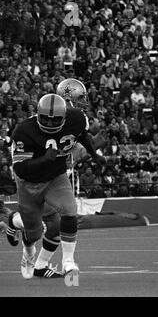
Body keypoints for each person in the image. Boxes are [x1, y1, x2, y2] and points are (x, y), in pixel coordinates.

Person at [10, 94, 105, 279]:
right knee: (35, 233)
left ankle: (68, 260)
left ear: (65, 117)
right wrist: (44, 159)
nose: (50, 123)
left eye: (55, 120)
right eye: (45, 118)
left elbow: (82, 135)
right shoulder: (24, 131)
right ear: (37, 114)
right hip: (29, 184)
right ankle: (27, 249)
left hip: (55, 177)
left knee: (70, 210)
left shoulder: (75, 118)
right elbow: (20, 169)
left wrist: (95, 155)